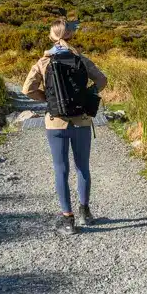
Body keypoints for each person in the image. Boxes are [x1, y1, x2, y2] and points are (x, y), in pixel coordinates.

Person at [22, 18, 108, 236]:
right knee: (82, 167)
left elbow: (27, 89)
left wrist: (48, 99)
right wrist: (87, 93)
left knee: (61, 169)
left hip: (55, 122)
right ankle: (85, 212)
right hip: (81, 121)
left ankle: (68, 220)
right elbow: (102, 80)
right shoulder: (82, 60)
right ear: (69, 36)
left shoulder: (43, 61)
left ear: (52, 36)